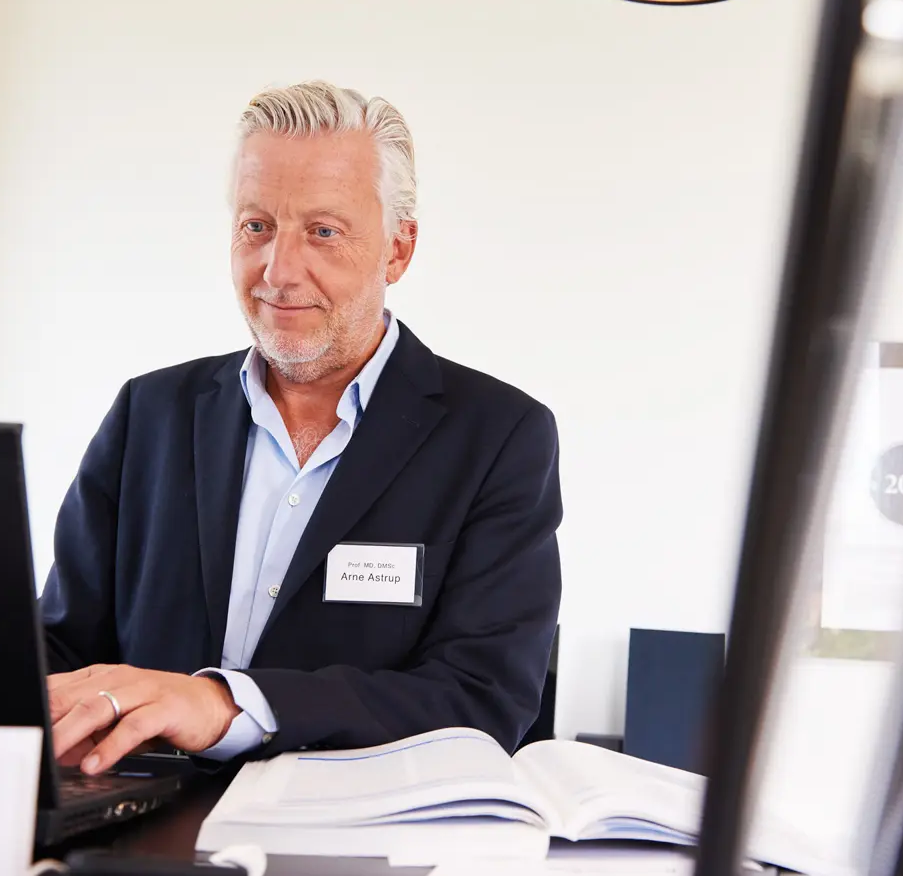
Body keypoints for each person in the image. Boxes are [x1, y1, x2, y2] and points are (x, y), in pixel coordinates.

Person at [39, 81, 563, 775]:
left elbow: (480, 700)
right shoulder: (149, 413)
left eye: (323, 231)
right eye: (257, 226)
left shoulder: (498, 436)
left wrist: (229, 706)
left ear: (398, 250)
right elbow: (61, 650)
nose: (279, 271)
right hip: (134, 825)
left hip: (347, 839)